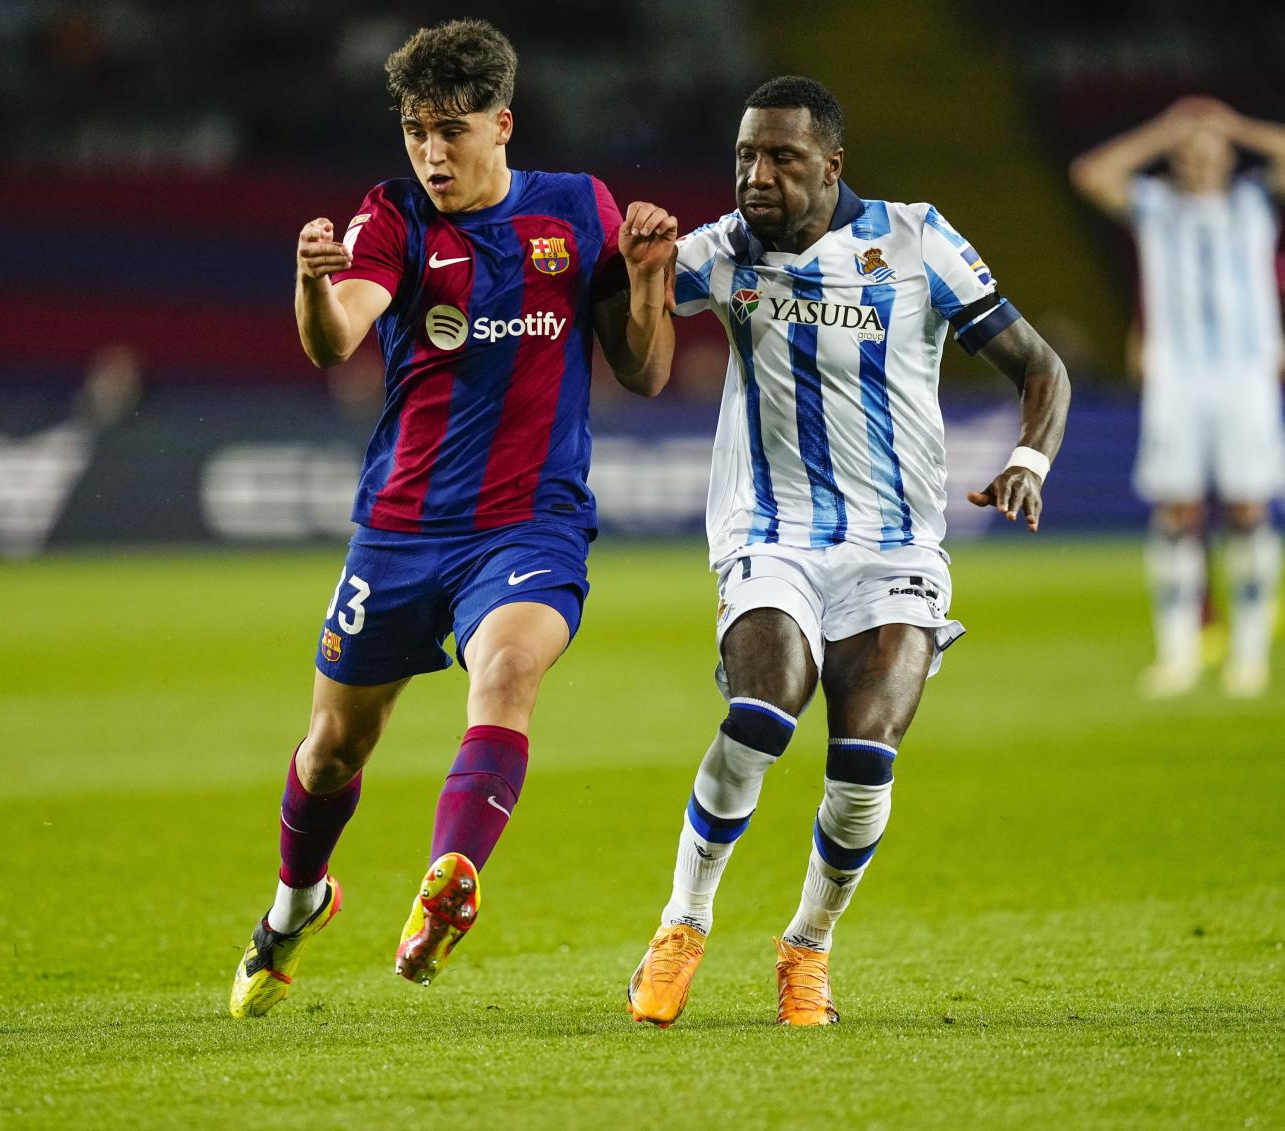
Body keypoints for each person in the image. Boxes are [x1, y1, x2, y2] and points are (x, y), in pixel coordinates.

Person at [229, 18, 676, 1017]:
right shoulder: (392, 219)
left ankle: (447, 883)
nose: (431, 153)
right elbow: (333, 335)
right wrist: (311, 286)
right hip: (399, 527)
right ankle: (295, 903)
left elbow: (643, 373)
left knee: (507, 671)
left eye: (451, 131)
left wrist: (646, 279)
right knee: (332, 749)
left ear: (500, 124)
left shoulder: (576, 213)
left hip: (529, 524)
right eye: (415, 132)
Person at [624, 76, 1070, 1028]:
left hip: (897, 543)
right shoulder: (721, 254)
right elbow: (636, 358)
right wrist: (639, 274)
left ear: (832, 165)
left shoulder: (915, 241)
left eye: (782, 158)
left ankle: (808, 946)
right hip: (770, 533)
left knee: (864, 755)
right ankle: (683, 922)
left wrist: (1029, 457)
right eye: (746, 155)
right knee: (762, 712)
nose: (757, 175)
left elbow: (1041, 367)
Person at [1071, 97, 1285, 698]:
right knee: (1176, 513)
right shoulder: (1155, 206)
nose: (1196, 161)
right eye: (1186, 154)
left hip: (1246, 374)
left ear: (1227, 158)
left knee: (1248, 508)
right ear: (1173, 160)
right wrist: (1165, 129)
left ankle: (1248, 654)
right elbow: (1091, 174)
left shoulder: (1254, 202)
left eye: (1207, 151)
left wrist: (1234, 124)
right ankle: (1179, 654)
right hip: (1176, 377)